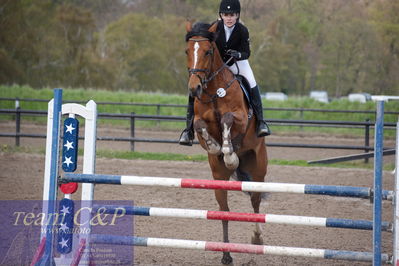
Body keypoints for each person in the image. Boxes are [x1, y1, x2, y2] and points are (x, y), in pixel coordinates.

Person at [179, 0, 271, 146]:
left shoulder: (242, 30)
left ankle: (261, 122)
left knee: (252, 83)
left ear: (237, 16)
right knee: (194, 87)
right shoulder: (214, 28)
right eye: (226, 15)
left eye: (232, 15)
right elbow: (204, 45)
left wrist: (238, 55)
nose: (229, 18)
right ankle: (188, 130)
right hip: (217, 65)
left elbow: (247, 52)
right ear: (220, 15)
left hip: (237, 63)